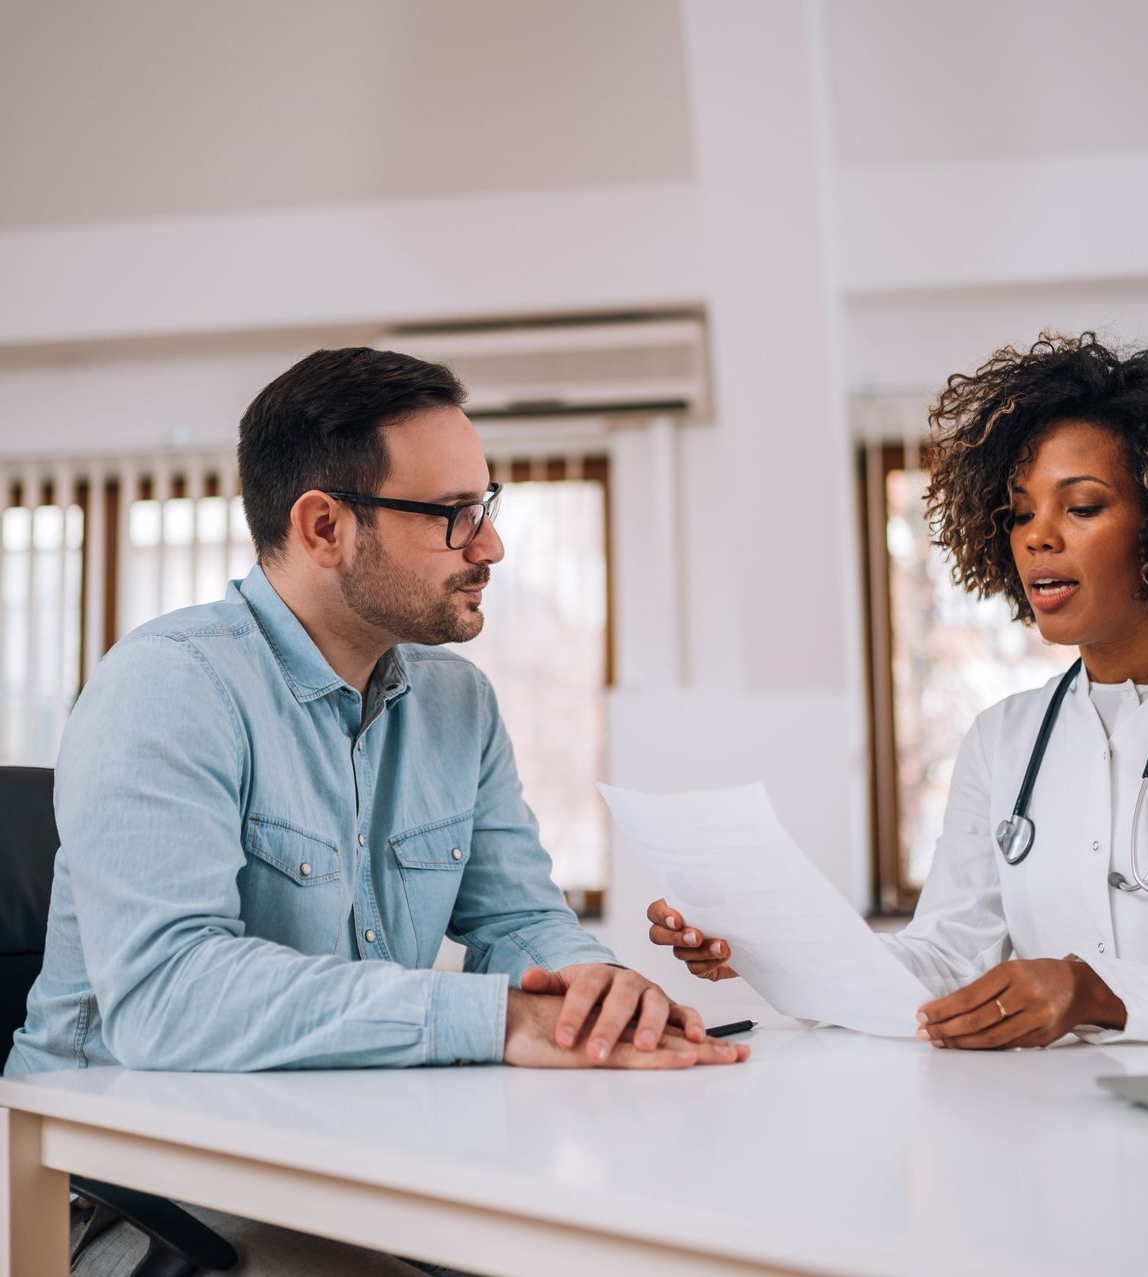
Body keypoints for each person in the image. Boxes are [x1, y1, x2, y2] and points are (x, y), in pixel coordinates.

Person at [7, 347, 746, 1275]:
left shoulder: (457, 705)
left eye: (487, 505)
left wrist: (594, 990)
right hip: (121, 1193)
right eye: (452, 516)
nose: (490, 546)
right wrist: (497, 1020)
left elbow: (518, 918)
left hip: (336, 1154)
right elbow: (166, 999)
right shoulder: (168, 687)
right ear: (324, 526)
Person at [647, 333, 1148, 1048]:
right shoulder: (1004, 740)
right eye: (1021, 511)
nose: (1037, 536)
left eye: (1083, 505)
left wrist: (1095, 993)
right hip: (1052, 1127)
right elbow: (942, 959)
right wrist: (769, 947)